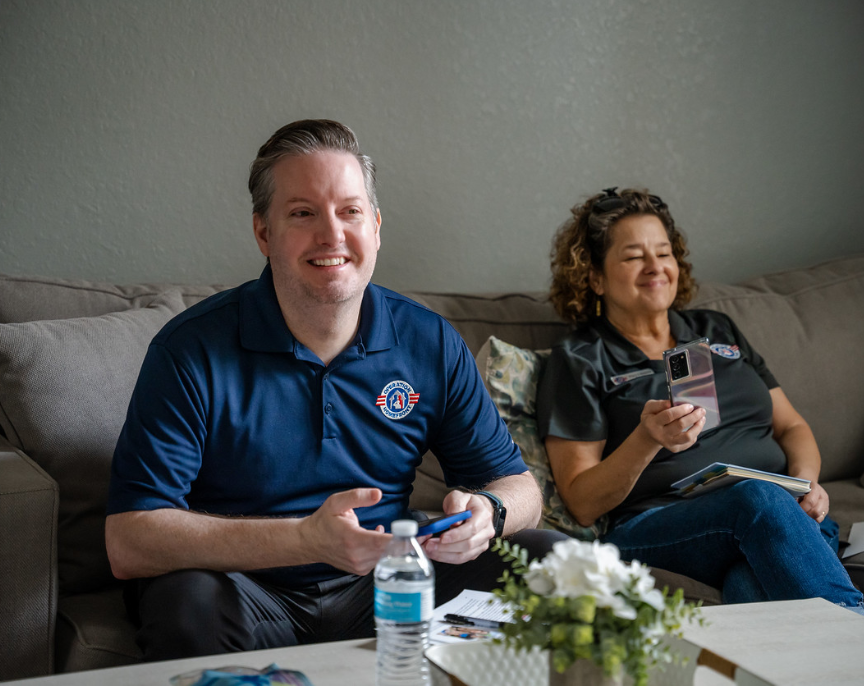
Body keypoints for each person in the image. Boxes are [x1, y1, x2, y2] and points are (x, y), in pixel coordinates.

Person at [105, 119, 556, 661]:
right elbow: (129, 541)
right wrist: (303, 539)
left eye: (350, 211)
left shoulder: (429, 341)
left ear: (377, 227)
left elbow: (522, 489)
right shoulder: (190, 350)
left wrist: (490, 513)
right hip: (246, 589)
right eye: (303, 213)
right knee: (186, 600)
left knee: (549, 559)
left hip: (392, 584)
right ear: (264, 233)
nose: (332, 235)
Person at [536, 187, 864, 614]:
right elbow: (581, 502)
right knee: (757, 499)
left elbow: (792, 427)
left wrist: (807, 485)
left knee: (749, 584)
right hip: (661, 523)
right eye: (634, 256)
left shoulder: (717, 328)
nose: (655, 267)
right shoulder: (580, 358)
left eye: (664, 253)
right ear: (595, 277)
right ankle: (857, 633)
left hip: (782, 514)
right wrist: (646, 439)